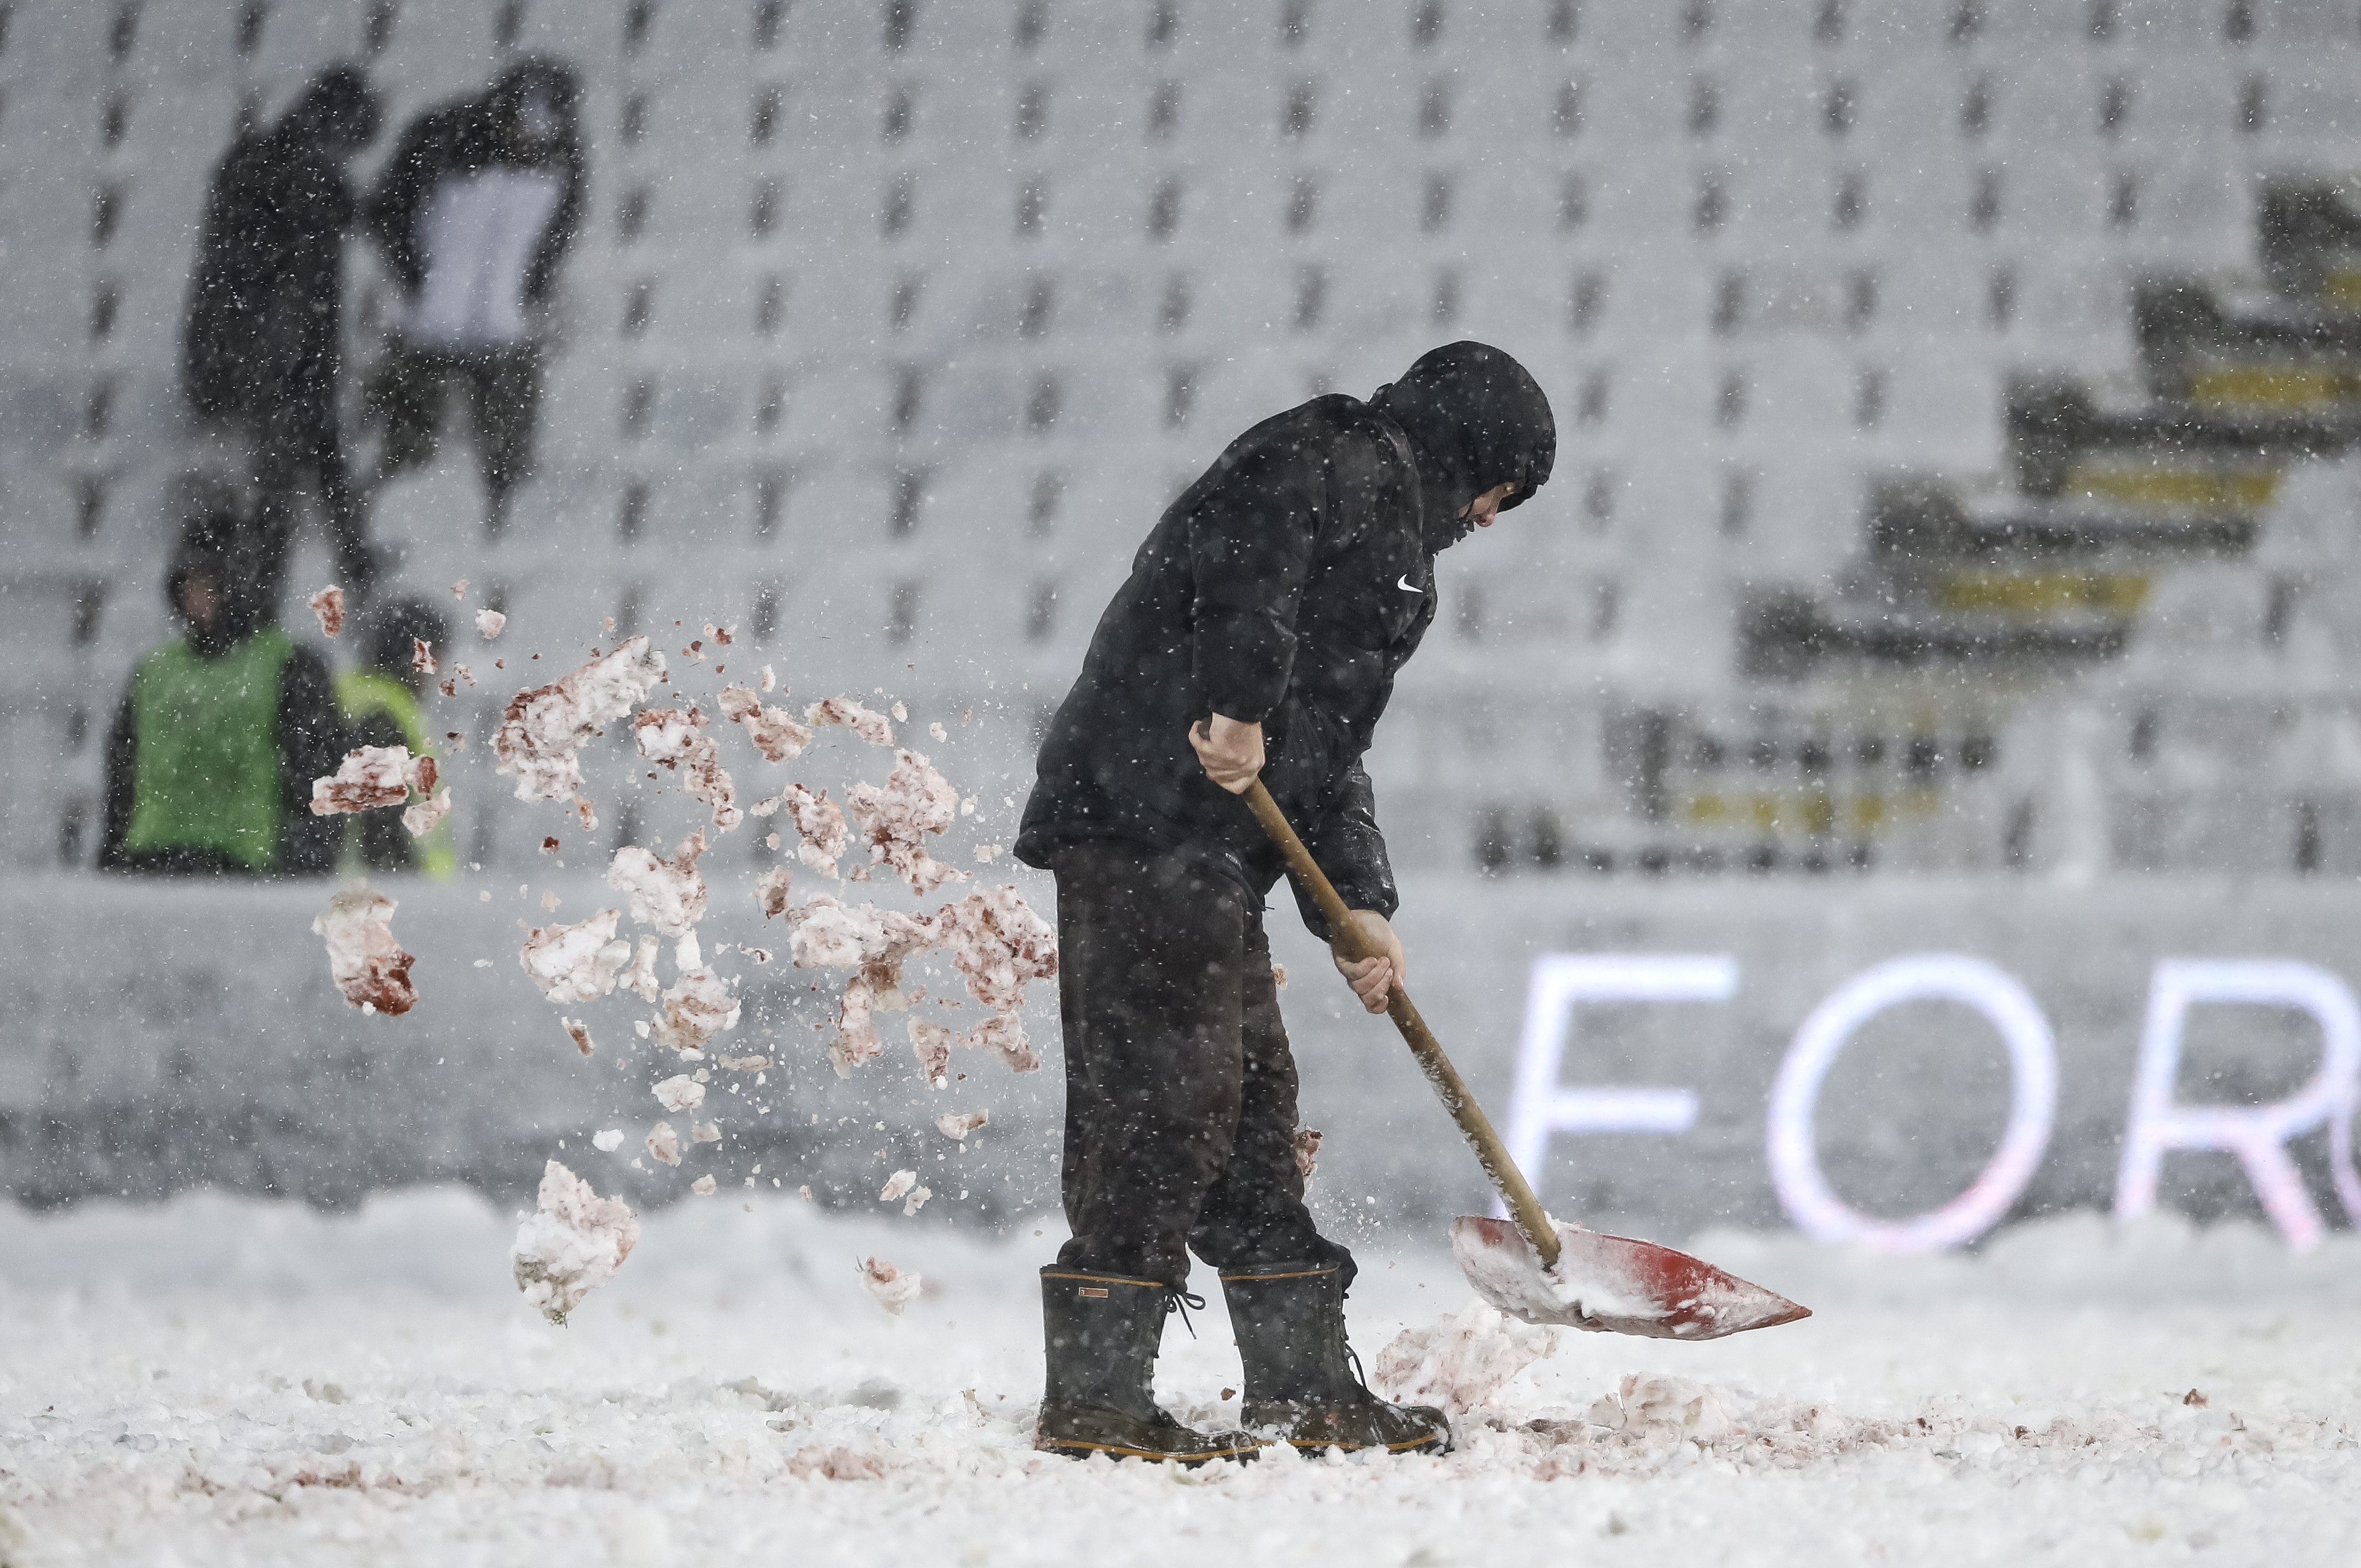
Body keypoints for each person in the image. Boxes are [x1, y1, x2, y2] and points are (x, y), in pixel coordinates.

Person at [1014, 341, 1557, 1463]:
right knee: (1164, 1100)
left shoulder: (1395, 548)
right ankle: (1097, 1399)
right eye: (1504, 490)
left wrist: (1359, 908)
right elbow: (1246, 554)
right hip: (1138, 819)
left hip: (1204, 851)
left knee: (1252, 1112)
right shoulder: (1333, 457)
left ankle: (1303, 1388)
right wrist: (1238, 699)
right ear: (1474, 457)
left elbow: (1325, 759)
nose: (1493, 517)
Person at [183, 66, 383, 597]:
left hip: (293, 349)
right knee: (280, 479)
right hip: (264, 353)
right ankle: (269, 593)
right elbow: (248, 269)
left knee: (320, 458)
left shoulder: (272, 167)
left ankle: (353, 562)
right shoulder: (283, 174)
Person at [364, 60, 585, 537]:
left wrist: (532, 290)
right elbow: (387, 209)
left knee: (510, 445)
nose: (530, 137)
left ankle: (501, 529)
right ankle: (389, 530)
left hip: (504, 325)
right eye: (522, 124)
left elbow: (560, 232)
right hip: (427, 322)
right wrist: (413, 275)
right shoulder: (440, 136)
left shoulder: (563, 160)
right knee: (406, 442)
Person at [98, 511, 344, 877]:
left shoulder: (289, 666)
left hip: (249, 870)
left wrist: (304, 864)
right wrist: (113, 854)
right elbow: (123, 773)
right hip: (153, 864)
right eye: (191, 585)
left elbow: (316, 773)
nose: (199, 599)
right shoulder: (153, 671)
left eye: (212, 585)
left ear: (241, 586)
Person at [337, 597, 455, 878]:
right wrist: (404, 885)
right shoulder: (383, 715)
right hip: (388, 897)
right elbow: (382, 831)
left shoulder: (361, 698)